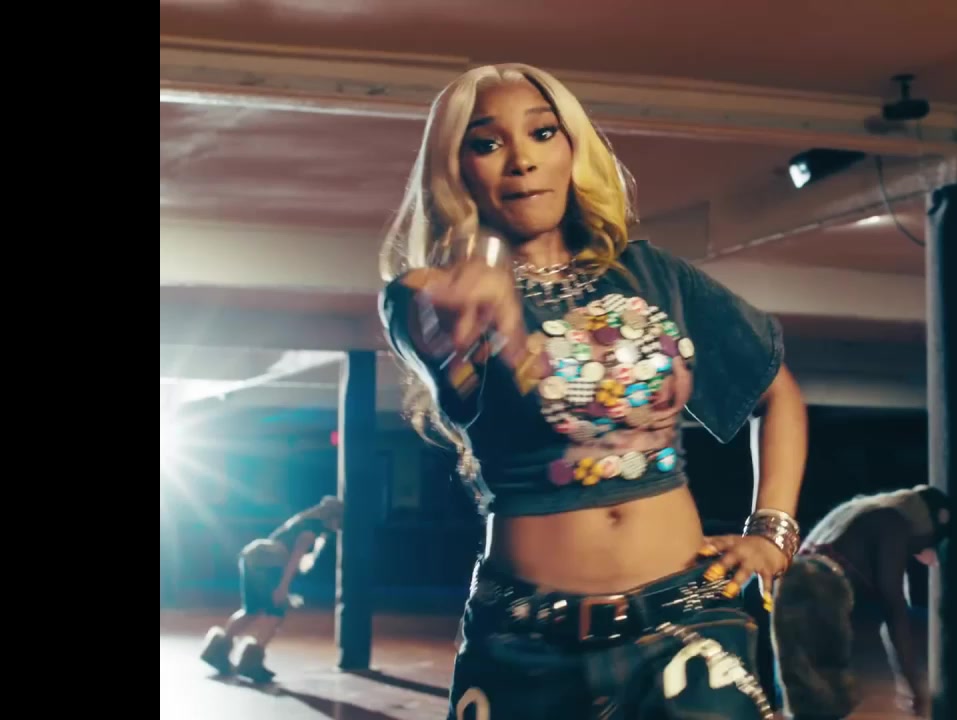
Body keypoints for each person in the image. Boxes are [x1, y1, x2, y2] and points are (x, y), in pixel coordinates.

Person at [377, 63, 809, 719]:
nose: (522, 160)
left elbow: (777, 394)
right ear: (455, 169)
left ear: (573, 148)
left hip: (687, 621)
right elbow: (439, 340)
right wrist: (472, 306)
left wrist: (772, 534)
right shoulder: (428, 295)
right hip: (525, 645)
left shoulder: (651, 275)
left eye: (543, 132)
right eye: (487, 143)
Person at [770, 485, 949, 718]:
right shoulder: (893, 522)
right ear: (925, 525)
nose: (921, 550)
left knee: (805, 694)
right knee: (826, 694)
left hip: (790, 588)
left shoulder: (855, 515)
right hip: (822, 593)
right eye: (928, 542)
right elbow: (893, 606)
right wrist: (913, 684)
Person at [198, 496, 343, 682]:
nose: (339, 528)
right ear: (333, 517)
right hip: (268, 562)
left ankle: (217, 651)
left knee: (251, 609)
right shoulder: (310, 532)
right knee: (276, 612)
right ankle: (251, 663)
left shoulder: (302, 521)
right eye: (340, 522)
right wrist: (283, 588)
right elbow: (293, 561)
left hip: (252, 555)